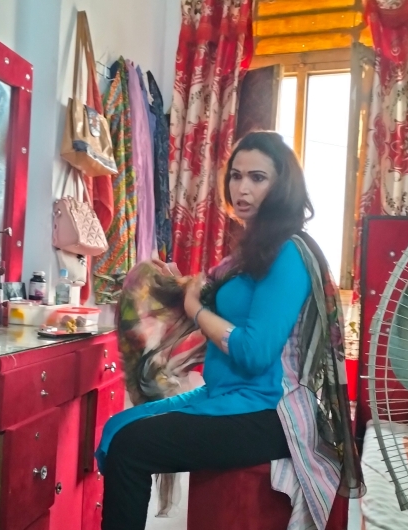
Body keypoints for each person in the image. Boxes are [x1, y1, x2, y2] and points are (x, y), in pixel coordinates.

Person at [95, 131, 362, 530]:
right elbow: (202, 289)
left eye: (257, 178)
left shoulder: (288, 253)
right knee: (116, 428)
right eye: (236, 176)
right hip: (228, 394)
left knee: (131, 448)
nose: (242, 188)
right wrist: (168, 284)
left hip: (270, 412)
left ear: (282, 184)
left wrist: (195, 307)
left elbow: (255, 350)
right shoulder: (247, 253)